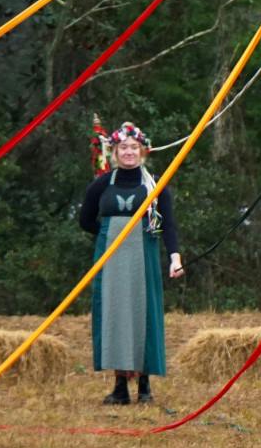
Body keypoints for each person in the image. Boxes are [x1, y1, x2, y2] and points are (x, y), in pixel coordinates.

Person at [78, 122, 184, 405]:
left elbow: (168, 225)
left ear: (142, 152)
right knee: (115, 316)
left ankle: (145, 386)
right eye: (123, 147)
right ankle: (120, 387)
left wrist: (175, 258)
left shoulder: (155, 185)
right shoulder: (102, 184)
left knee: (143, 314)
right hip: (111, 260)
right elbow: (85, 220)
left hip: (143, 256)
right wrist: (107, 236)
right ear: (114, 152)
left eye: (133, 148)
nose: (128, 153)